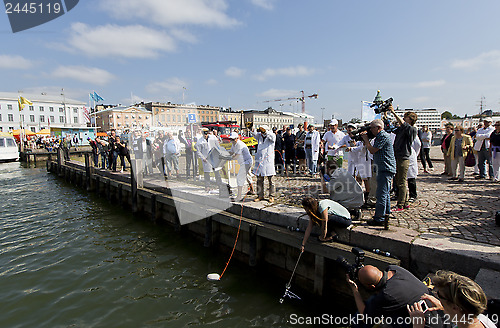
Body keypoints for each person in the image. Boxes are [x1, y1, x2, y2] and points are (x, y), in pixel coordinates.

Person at [347, 264, 431, 328]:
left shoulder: (386, 295)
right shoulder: (395, 269)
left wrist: (355, 290)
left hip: (425, 324)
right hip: (431, 304)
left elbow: (365, 318)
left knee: (364, 320)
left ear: (371, 286)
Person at [407, 270, 496, 328]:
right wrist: (444, 306)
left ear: (455, 307)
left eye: (439, 295)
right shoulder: (481, 319)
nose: (437, 297)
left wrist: (418, 326)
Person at [361, 118, 396, 228]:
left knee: (381, 194)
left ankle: (379, 218)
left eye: (372, 128)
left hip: (385, 168)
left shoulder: (383, 136)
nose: (370, 130)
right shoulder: (380, 136)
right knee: (385, 193)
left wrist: (366, 140)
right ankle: (386, 213)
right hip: (383, 167)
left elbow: (372, 150)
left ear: (379, 128)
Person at [389, 106, 418, 211]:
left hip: (403, 157)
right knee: (398, 180)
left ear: (410, 119)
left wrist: (393, 112)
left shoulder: (411, 129)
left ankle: (400, 204)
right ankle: (405, 202)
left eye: (406, 117)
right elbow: (392, 129)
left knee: (401, 182)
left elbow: (403, 124)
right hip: (398, 156)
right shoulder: (402, 129)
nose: (404, 118)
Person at [251, 125, 276, 203]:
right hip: (260, 160)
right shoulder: (259, 136)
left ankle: (271, 196)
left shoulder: (271, 135)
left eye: (262, 131)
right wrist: (251, 128)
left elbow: (272, 137)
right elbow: (254, 134)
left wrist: (265, 131)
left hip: (268, 161)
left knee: (271, 180)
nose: (261, 133)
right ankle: (260, 195)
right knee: (259, 179)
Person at [228, 132, 254, 201]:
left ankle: (239, 196)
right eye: (231, 139)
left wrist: (229, 158)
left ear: (237, 138)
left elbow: (236, 156)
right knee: (247, 175)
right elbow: (231, 152)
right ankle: (252, 190)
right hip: (244, 162)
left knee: (239, 177)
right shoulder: (234, 144)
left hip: (246, 162)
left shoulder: (240, 144)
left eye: (233, 139)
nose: (232, 141)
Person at [408, 136, 421, 201]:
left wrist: (415, 154)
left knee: (411, 177)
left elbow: (418, 144)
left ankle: (413, 194)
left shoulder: (411, 132)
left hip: (410, 155)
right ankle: (397, 193)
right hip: (401, 154)